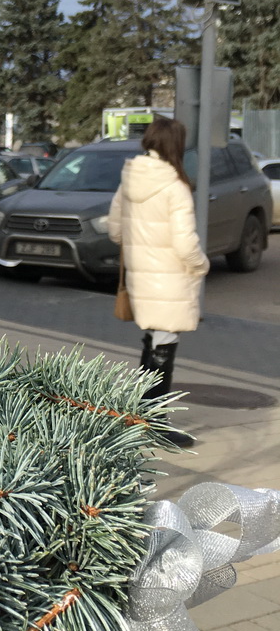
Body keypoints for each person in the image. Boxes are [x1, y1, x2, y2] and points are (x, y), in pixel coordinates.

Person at [108, 116, 209, 446]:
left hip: (142, 279)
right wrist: (201, 264)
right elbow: (185, 244)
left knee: (153, 341)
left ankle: (141, 417)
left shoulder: (130, 177)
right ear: (175, 145)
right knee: (164, 345)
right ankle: (155, 425)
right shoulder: (175, 186)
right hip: (169, 280)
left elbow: (115, 230)